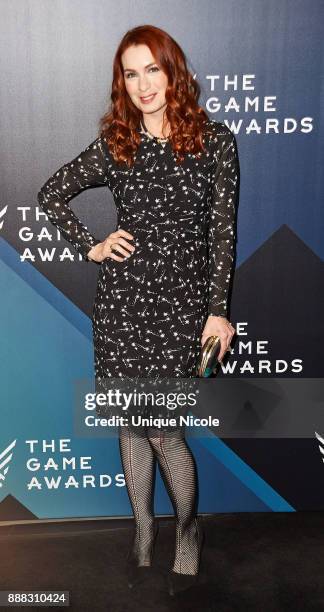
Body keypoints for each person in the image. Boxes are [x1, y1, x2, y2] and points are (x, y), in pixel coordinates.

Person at [37, 24, 239, 595]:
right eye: (131, 73)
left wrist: (217, 311)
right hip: (123, 306)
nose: (144, 83)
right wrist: (91, 243)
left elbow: (223, 235)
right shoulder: (117, 145)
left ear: (173, 70)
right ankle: (144, 527)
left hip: (180, 310)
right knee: (132, 423)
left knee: (162, 430)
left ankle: (189, 529)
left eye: (153, 68)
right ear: (121, 84)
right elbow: (52, 192)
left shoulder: (215, 142)